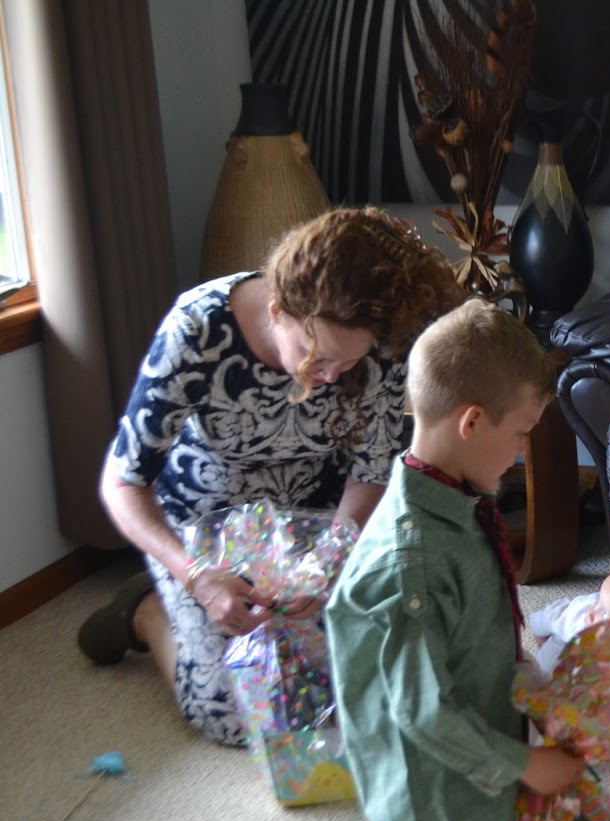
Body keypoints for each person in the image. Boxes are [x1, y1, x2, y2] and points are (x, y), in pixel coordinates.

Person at [194, 299, 586, 821]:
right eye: (522, 432)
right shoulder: (413, 558)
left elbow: (475, 624)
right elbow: (422, 715)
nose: (523, 451)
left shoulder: (456, 496)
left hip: (468, 753)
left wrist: (528, 676)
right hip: (430, 785)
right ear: (471, 421)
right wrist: (528, 765)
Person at [79, 206, 465, 747]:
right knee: (241, 716)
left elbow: (371, 472)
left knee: (361, 684)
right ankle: (146, 612)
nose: (328, 376)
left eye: (344, 365)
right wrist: (196, 577)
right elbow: (121, 484)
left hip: (316, 517)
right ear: (278, 309)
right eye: (315, 356)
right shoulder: (196, 329)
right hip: (205, 529)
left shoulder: (381, 343)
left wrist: (331, 558)